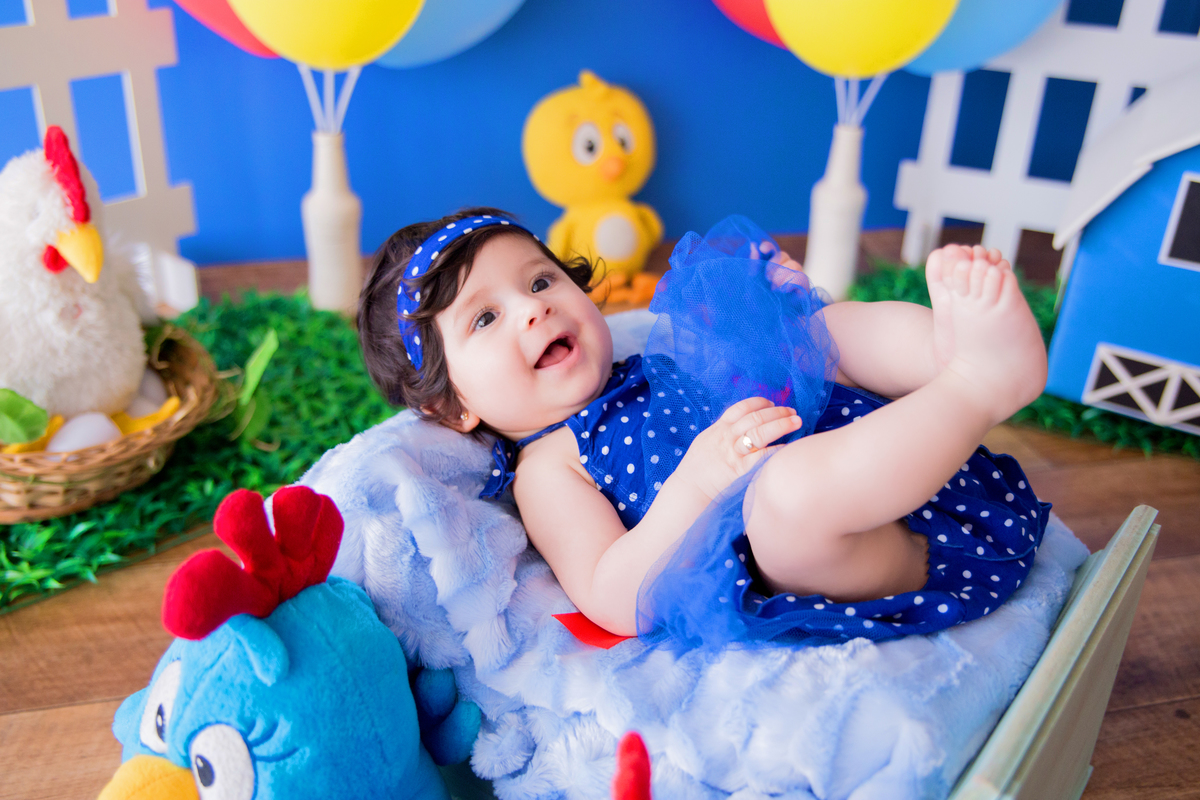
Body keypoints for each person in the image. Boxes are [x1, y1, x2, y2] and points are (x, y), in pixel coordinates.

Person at [358, 207, 1050, 649]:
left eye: (540, 283)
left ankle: (954, 352)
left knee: (818, 333)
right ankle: (982, 386)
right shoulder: (550, 467)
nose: (531, 311)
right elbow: (612, 596)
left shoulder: (657, 359)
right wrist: (697, 482)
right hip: (867, 552)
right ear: (454, 409)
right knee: (786, 495)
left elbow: (777, 363)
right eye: (486, 318)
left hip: (904, 468)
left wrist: (773, 310)